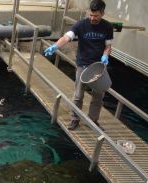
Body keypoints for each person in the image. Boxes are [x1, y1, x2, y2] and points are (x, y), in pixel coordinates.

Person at [43, 0, 113, 130]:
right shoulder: (81, 25)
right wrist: (55, 46)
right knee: (78, 95)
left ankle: (92, 121)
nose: (92, 18)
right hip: (83, 64)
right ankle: (75, 119)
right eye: (91, 15)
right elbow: (66, 37)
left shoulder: (107, 27)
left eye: (96, 16)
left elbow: (108, 46)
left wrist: (106, 55)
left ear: (102, 13)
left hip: (99, 66)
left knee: (98, 96)